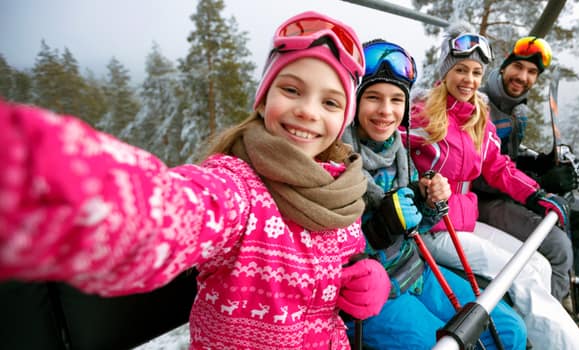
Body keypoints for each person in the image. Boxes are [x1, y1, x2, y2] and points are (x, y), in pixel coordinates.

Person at [0, 11, 391, 350]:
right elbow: (167, 214)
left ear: (342, 120)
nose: (307, 111)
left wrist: (367, 279)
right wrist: (32, 171)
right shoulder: (237, 189)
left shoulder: (340, 189)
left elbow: (345, 262)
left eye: (329, 102)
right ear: (264, 97)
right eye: (291, 90)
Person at [406, 25, 579, 349]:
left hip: (465, 219)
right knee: (522, 275)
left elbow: (497, 166)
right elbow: (395, 153)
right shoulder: (423, 113)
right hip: (434, 226)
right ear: (446, 71)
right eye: (461, 69)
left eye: (477, 72)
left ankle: (540, 336)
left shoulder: (478, 116)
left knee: (538, 263)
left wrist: (535, 194)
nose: (469, 80)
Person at [341, 39, 526, 350]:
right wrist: (378, 229)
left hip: (416, 269)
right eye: (373, 97)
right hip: (375, 289)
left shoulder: (398, 151)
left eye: (396, 100)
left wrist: (428, 202)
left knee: (508, 331)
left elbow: (418, 224)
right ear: (355, 101)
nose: (386, 111)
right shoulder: (337, 158)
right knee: (440, 343)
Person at [474, 37, 579, 303]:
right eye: (518, 67)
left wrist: (538, 162)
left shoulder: (517, 111)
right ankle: (547, 315)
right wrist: (539, 181)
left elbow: (505, 156)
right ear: (504, 66)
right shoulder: (480, 106)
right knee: (557, 245)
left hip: (508, 187)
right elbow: (477, 173)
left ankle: (571, 286)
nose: (523, 76)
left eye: (532, 72)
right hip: (482, 199)